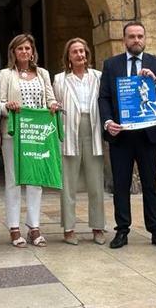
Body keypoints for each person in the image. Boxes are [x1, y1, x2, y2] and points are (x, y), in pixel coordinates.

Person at [98, 21, 156, 250]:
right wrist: (108, 122)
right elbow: (104, 97)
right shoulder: (111, 65)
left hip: (148, 135)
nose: (136, 40)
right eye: (131, 36)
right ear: (124, 40)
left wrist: (155, 81)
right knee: (121, 184)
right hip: (121, 135)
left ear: (145, 38)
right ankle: (122, 231)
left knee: (150, 183)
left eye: (140, 36)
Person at [0, 33, 60, 248]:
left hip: (37, 133)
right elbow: (0, 103)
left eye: (27, 48)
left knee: (35, 180)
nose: (24, 52)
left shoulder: (42, 73)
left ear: (32, 51)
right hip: (13, 134)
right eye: (20, 49)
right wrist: (8, 107)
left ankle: (34, 226)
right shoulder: (5, 74)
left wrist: (52, 106)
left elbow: (50, 98)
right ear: (13, 53)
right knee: (13, 180)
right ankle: (14, 227)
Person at [53, 38, 105, 246]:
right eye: (75, 52)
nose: (79, 55)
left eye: (82, 51)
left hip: (93, 129)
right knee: (68, 184)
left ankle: (98, 227)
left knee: (96, 183)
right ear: (68, 56)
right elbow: (54, 105)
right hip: (69, 131)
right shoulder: (59, 80)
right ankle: (69, 229)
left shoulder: (98, 77)